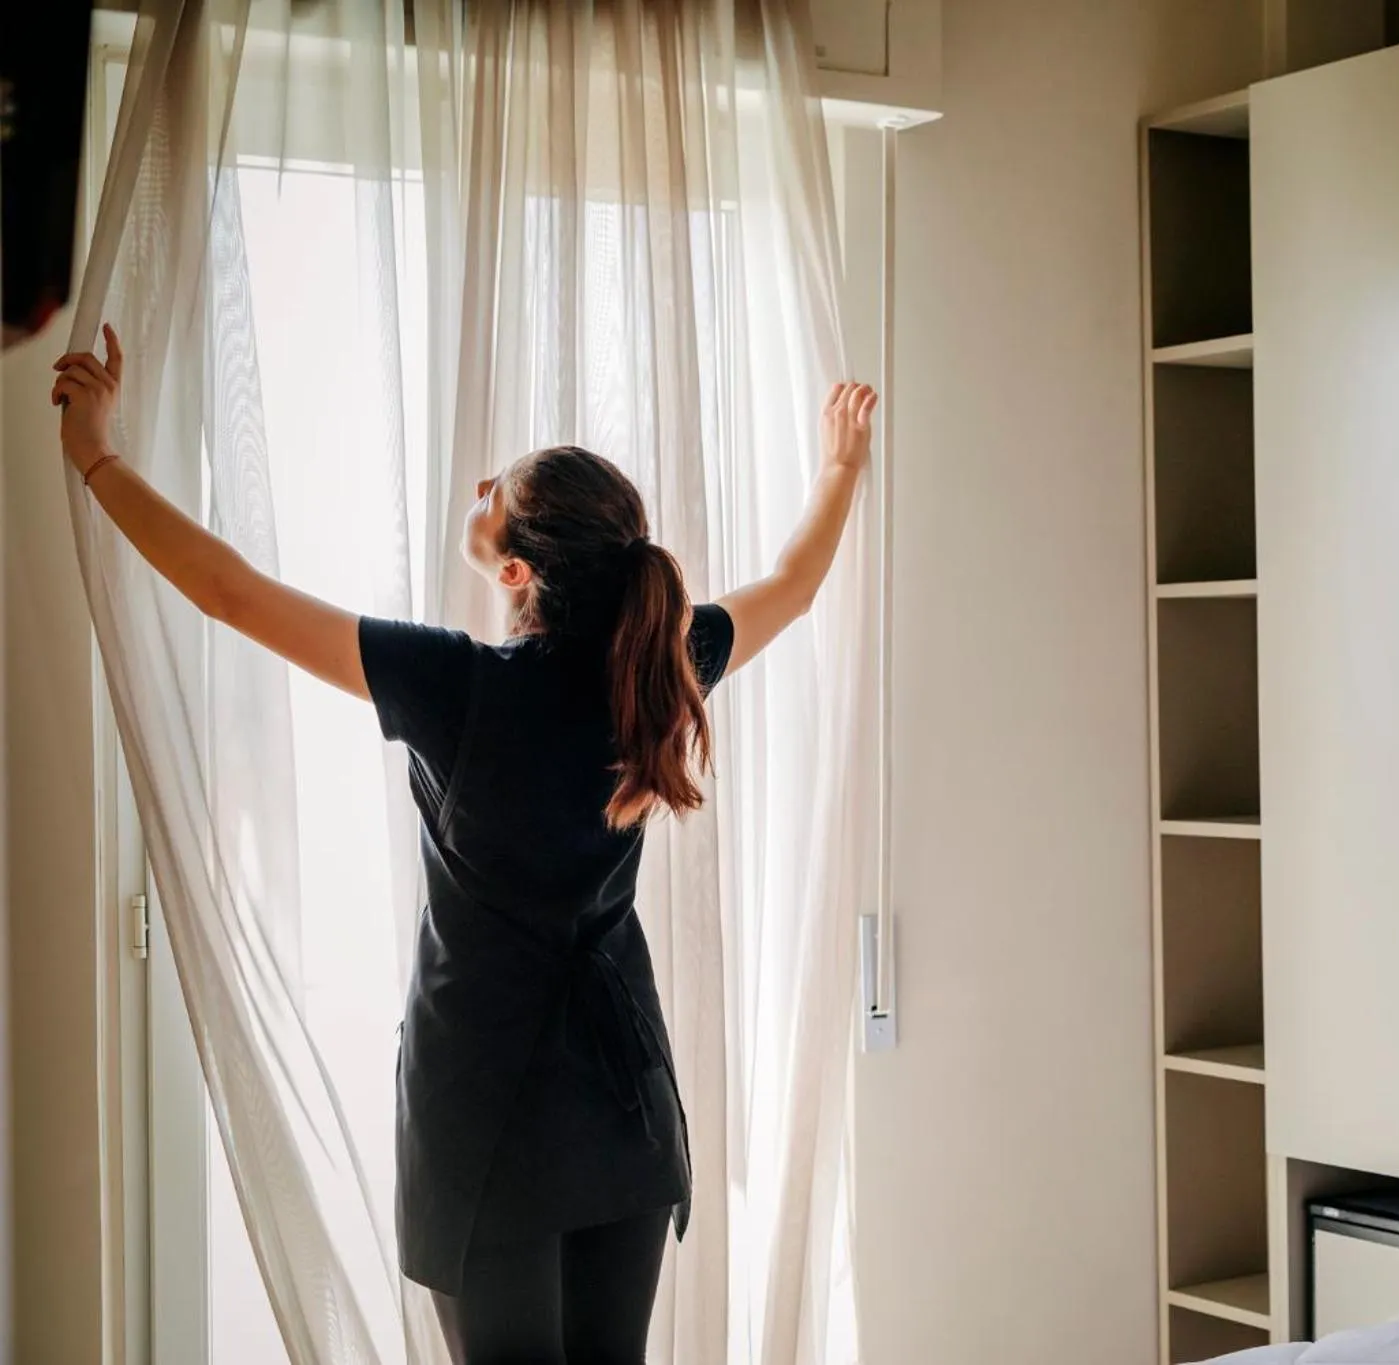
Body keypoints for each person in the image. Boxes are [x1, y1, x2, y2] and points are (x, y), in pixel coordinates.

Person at [52, 325, 876, 1364]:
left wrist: (96, 457)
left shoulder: (459, 687)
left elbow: (230, 592)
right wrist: (840, 465)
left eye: (496, 493)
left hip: (483, 1105)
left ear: (519, 567)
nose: (479, 485)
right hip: (624, 1104)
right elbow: (795, 585)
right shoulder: (664, 663)